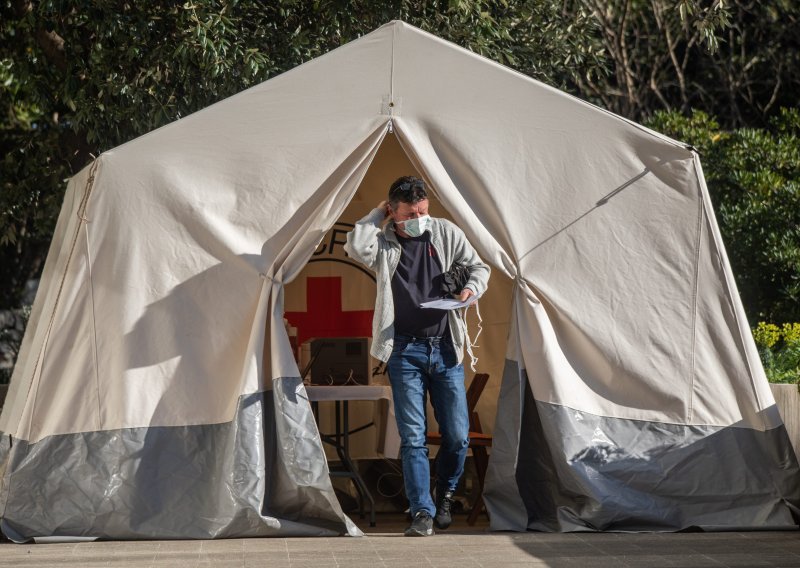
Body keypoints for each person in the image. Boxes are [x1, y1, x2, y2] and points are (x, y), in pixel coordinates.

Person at [344, 176, 490, 536]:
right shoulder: (383, 241)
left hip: (444, 348)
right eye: (410, 213)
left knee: (457, 436)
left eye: (423, 210)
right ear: (394, 213)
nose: (419, 218)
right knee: (413, 436)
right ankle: (422, 513)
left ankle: (446, 493)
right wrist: (377, 213)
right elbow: (354, 246)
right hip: (404, 351)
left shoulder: (445, 233)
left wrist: (470, 288)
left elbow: (479, 267)